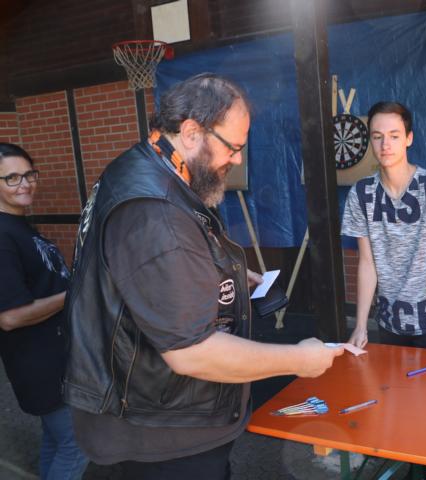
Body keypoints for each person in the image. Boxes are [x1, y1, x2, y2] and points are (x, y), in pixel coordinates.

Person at [63, 73, 343, 479]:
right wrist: (300, 360)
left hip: (145, 413)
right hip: (158, 432)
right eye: (233, 147)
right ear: (192, 132)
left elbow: (147, 277)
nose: (238, 160)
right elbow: (191, 351)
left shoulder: (139, 166)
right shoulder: (155, 212)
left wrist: (221, 271)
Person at [342, 101, 426, 480]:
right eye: (377, 137)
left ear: (408, 138)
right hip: (389, 322)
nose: (385, 144)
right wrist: (361, 324)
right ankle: (406, 464)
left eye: (393, 135)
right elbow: (367, 263)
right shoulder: (361, 194)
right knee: (395, 402)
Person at [0, 143, 88, 480]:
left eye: (29, 175)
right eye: (11, 178)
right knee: (76, 444)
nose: (24, 184)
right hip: (40, 365)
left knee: (57, 439)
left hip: (57, 357)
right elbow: (10, 317)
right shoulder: (3, 235)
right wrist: (75, 292)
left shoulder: (18, 225)